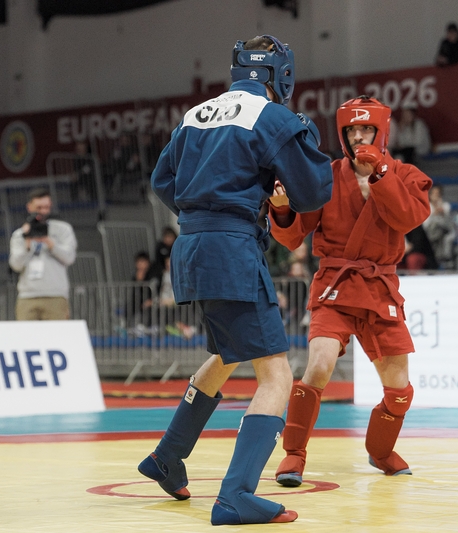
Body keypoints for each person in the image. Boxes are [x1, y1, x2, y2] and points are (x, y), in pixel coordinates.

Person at [138, 35, 332, 526]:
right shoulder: (275, 118)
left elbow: (162, 181)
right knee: (277, 374)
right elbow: (313, 192)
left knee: (228, 354)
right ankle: (236, 495)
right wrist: (267, 198)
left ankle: (166, 457)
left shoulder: (195, 115)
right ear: (281, 75)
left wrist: (206, 210)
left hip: (190, 247)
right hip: (231, 249)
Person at [267, 96, 431, 486]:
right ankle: (294, 454)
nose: (358, 136)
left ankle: (380, 450)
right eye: (351, 130)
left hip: (379, 287)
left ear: (381, 132)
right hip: (335, 284)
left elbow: (408, 218)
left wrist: (381, 173)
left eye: (366, 129)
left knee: (399, 388)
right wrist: (283, 209)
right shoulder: (324, 175)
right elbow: (292, 237)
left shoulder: (406, 174)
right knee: (319, 364)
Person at [9, 187, 77, 320]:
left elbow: (69, 258)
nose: (43, 211)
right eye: (39, 208)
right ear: (29, 207)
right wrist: (27, 244)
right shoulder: (20, 235)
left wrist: (50, 243)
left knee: (57, 333)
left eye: (46, 207)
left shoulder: (63, 229)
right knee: (26, 333)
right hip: (27, 296)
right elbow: (15, 265)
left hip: (56, 295)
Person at [422, 184, 455, 265]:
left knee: (440, 231)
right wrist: (434, 214)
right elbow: (425, 225)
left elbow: (449, 224)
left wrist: (443, 213)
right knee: (435, 227)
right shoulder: (426, 207)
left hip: (444, 230)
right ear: (430, 195)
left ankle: (440, 259)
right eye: (434, 194)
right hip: (430, 232)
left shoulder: (445, 206)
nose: (436, 196)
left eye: (438, 194)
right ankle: (438, 259)